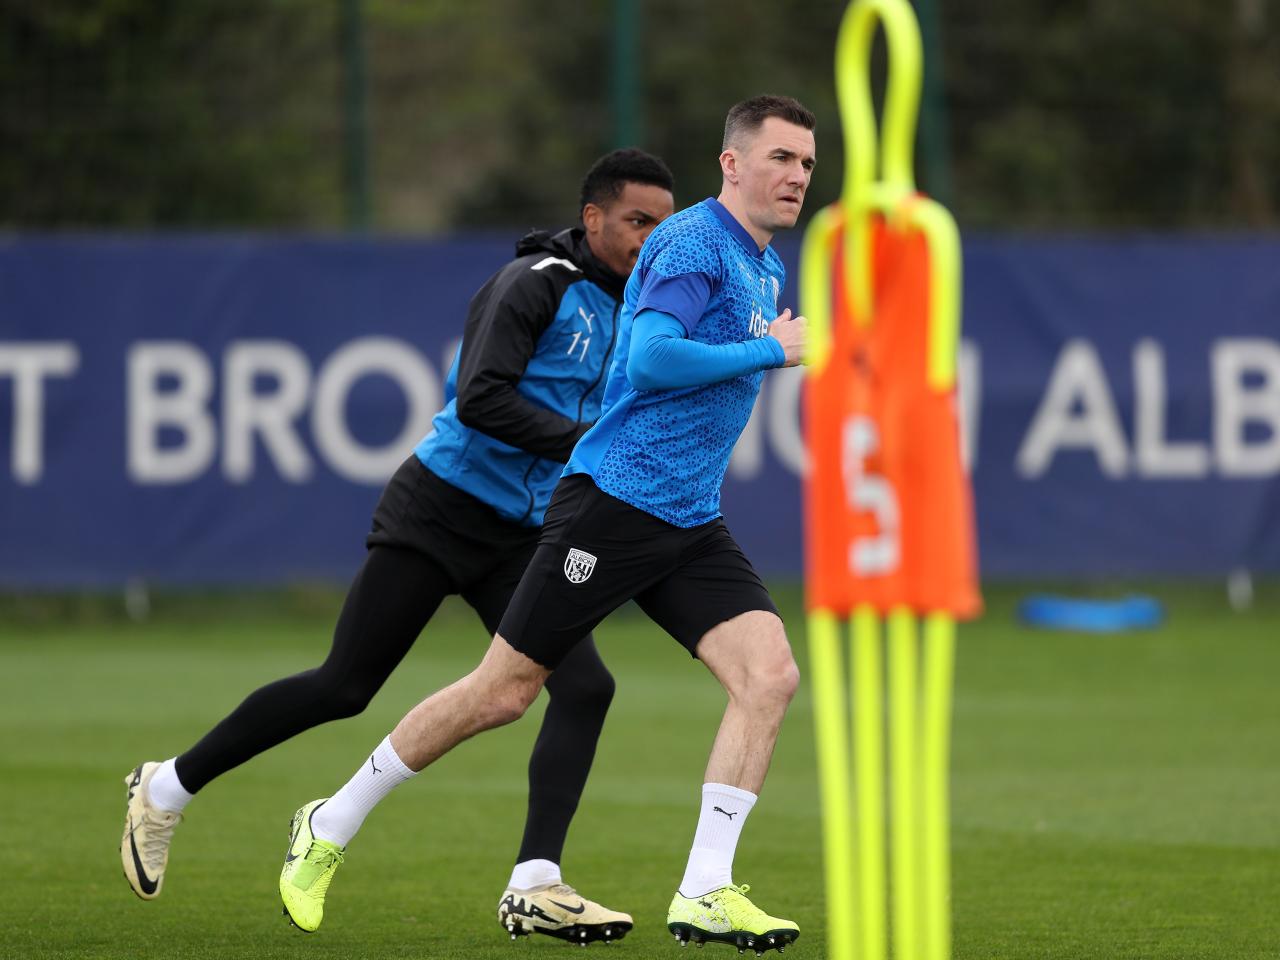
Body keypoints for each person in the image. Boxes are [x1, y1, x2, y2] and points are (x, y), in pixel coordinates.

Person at [277, 94, 815, 954]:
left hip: (688, 518)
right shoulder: (693, 242)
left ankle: (707, 890)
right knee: (504, 692)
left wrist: (765, 343)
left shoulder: (763, 268)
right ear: (732, 163)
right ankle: (329, 823)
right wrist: (768, 351)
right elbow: (649, 354)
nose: (796, 177)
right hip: (613, 504)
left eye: (806, 165)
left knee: (770, 675)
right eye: (781, 158)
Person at [121, 148, 676, 945]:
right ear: (593, 219)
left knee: (585, 687)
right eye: (637, 222)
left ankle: (537, 882)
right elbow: (480, 398)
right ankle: (165, 788)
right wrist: (586, 444)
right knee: (345, 685)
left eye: (662, 225)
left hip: (518, 534)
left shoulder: (635, 305)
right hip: (438, 511)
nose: (649, 239)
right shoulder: (535, 284)